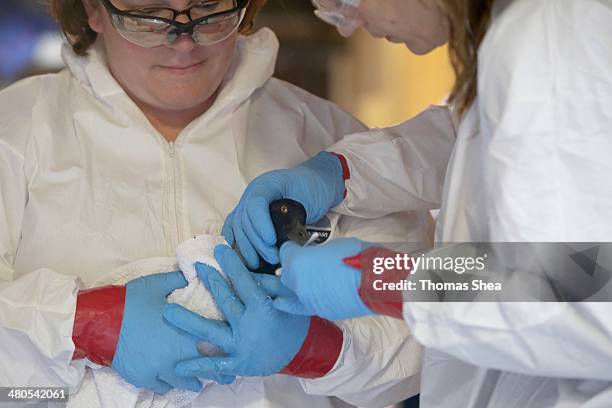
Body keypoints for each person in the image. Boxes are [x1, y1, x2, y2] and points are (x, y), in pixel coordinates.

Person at [166, 0, 612, 406]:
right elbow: (470, 142)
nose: (347, 27)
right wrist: (341, 173)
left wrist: (389, 279)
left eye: (345, 2)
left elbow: (585, 289)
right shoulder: (530, 36)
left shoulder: (549, 40)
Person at [0, 0, 430, 406]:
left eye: (209, 10)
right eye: (149, 17)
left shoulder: (332, 143)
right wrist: (79, 325)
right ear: (94, 9)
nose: (183, 40)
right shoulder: (15, 130)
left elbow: (424, 343)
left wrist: (317, 349)